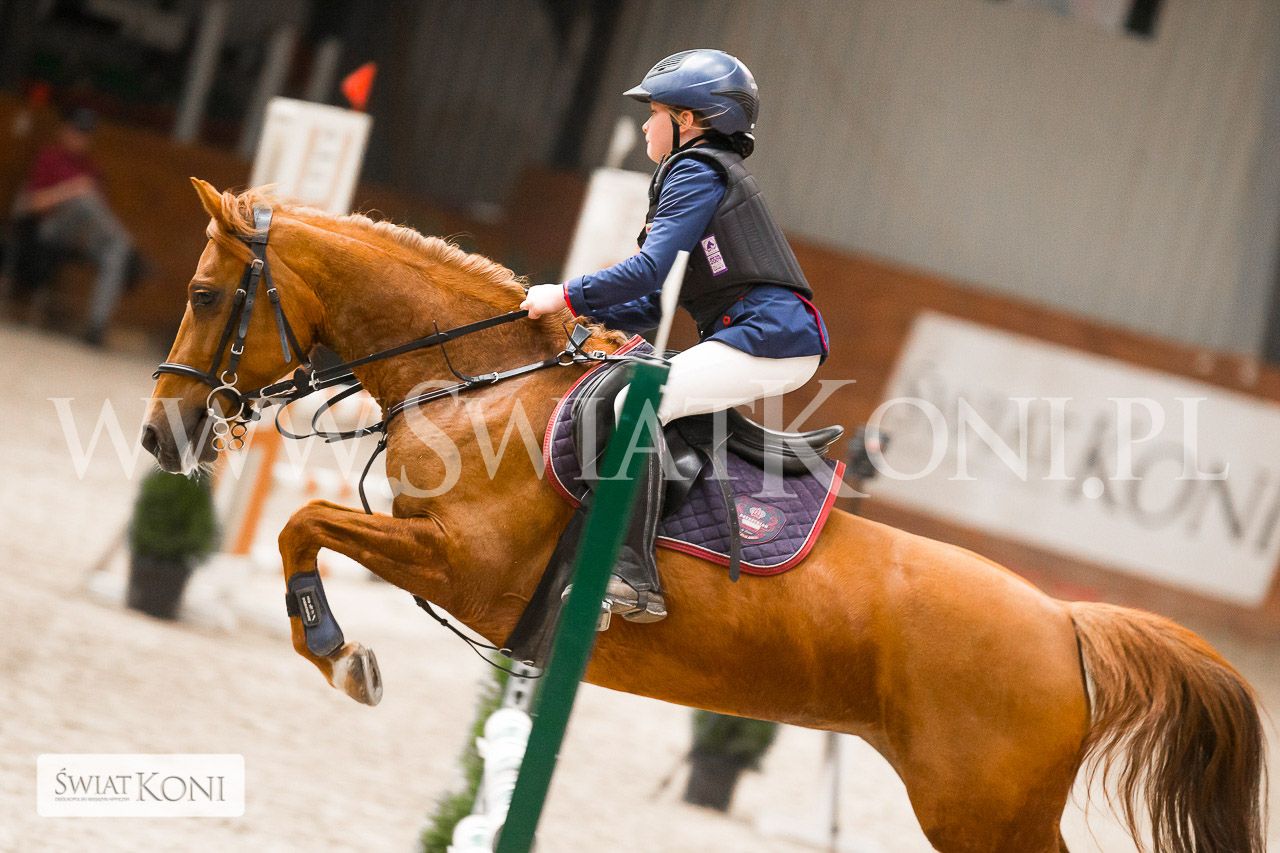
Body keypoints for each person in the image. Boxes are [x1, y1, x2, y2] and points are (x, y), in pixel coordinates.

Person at [521, 49, 828, 624]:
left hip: (770, 338)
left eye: (653, 113)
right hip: (757, 336)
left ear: (686, 120)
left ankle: (631, 573)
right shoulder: (698, 173)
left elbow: (646, 272)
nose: (644, 125)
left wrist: (564, 294)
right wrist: (578, 322)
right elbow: (649, 303)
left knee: (634, 403)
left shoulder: (695, 170)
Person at [16, 107, 134, 346]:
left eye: (85, 134)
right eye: (76, 131)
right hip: (50, 229)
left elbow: (97, 217)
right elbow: (32, 205)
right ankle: (124, 243)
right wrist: (72, 190)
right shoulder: (49, 158)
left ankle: (95, 327)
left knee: (115, 253)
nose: (79, 138)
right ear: (64, 131)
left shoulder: (90, 168)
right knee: (84, 199)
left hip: (83, 236)